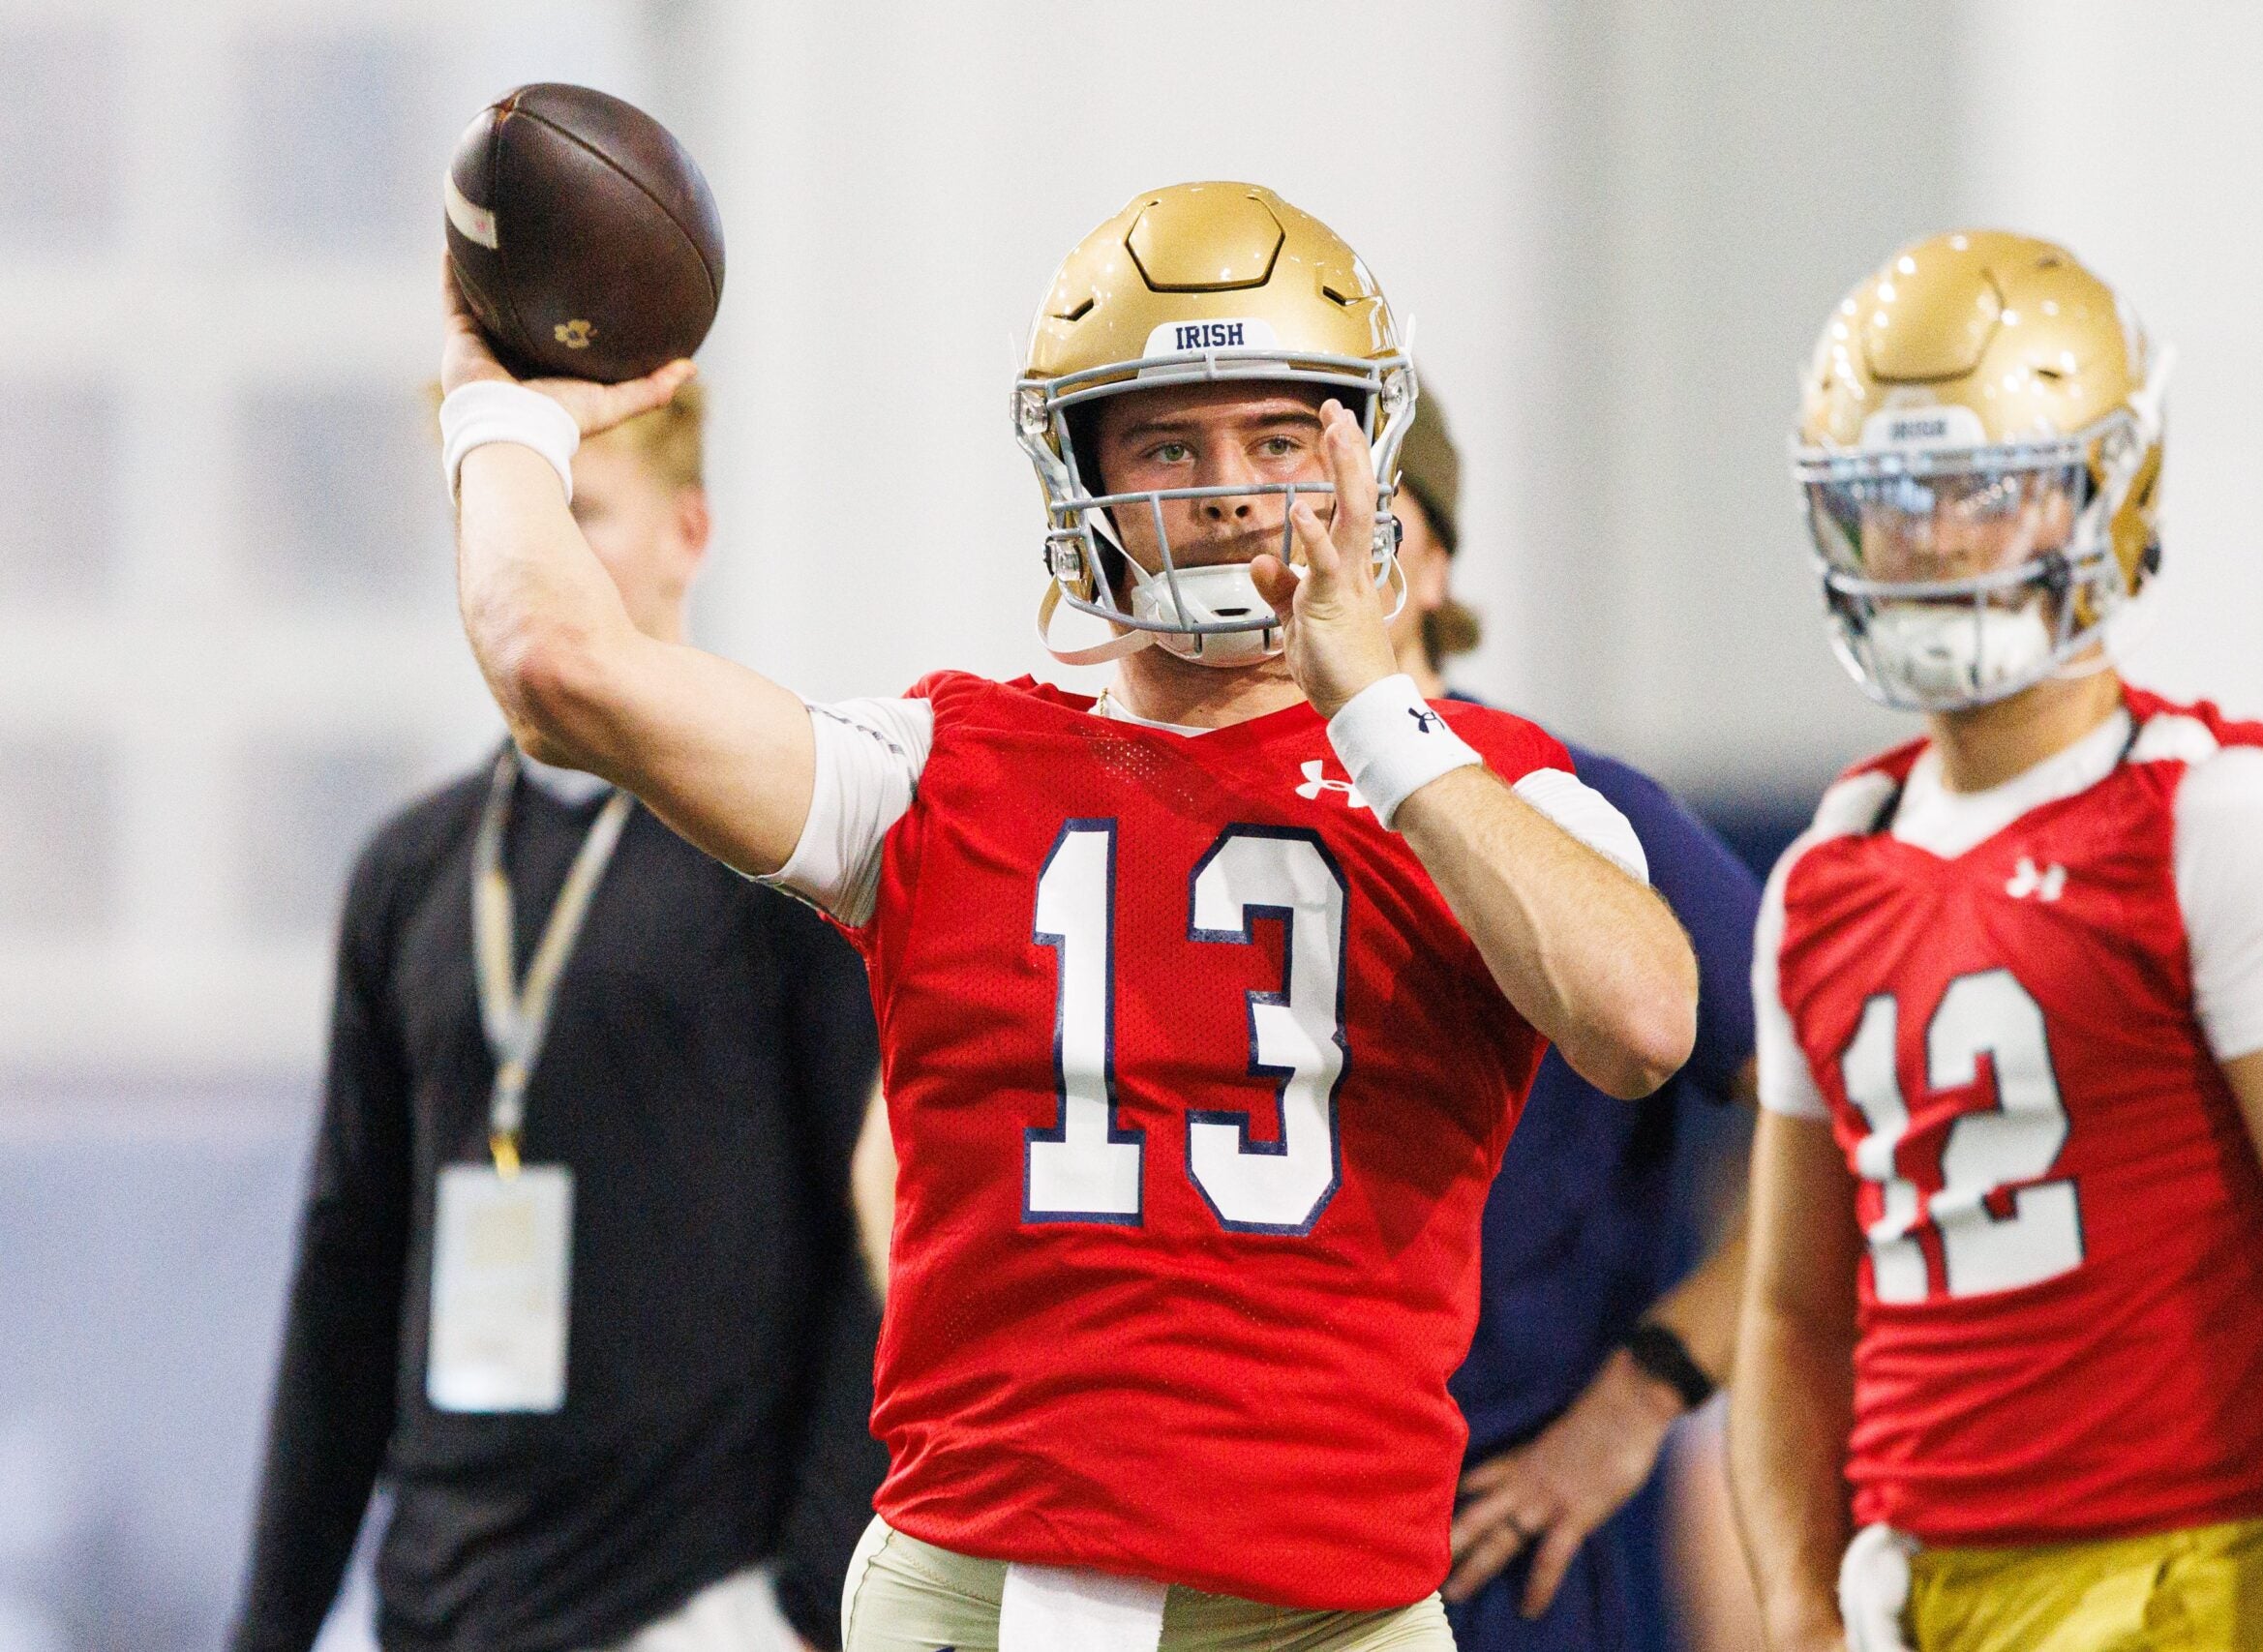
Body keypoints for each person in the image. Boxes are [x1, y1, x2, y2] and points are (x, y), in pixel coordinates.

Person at [434, 180, 1702, 1652]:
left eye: (1278, 438)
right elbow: (558, 669)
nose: (1230, 492)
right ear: (1076, 477)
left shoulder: (1480, 790)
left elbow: (1642, 1022)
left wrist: (1374, 711)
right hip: (968, 1590)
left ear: (1367, 459)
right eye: (1168, 444)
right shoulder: (938, 768)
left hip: (1329, 1614)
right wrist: (497, 418)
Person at [1729, 230, 2263, 1652]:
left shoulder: (2218, 817)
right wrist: (1799, 1608)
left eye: (1985, 488)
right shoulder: (1826, 871)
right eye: (1889, 493)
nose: (1933, 536)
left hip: (2182, 1573)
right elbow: (1793, 1310)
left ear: (2104, 497)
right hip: (1914, 1585)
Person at [230, 385, 886, 1652]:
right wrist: (269, 1627)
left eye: (582, 515)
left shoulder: (788, 861)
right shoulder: (410, 875)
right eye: (507, 524)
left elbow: (880, 1249)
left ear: (689, 533)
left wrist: (811, 1604)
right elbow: (346, 1277)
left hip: (693, 1606)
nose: (540, 560)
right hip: (439, 1603)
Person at [1376, 395, 1762, 1650]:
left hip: (1489, 1554)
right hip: (1216, 1546)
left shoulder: (1580, 808)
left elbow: (1863, 1127)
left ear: (1431, 557)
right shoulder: (1179, 811)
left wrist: (1644, 1393)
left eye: (1340, 501)